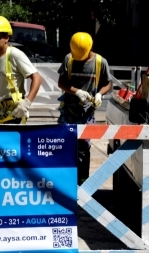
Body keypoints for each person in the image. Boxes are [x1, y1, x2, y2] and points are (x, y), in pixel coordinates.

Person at [57, 32, 112, 185]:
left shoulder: (100, 62)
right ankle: (65, 181)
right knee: (64, 145)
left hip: (86, 113)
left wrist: (100, 94)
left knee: (83, 148)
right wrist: (77, 91)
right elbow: (61, 82)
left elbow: (108, 83)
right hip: (68, 111)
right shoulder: (69, 59)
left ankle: (83, 181)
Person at [0, 16, 42, 124]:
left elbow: (37, 78)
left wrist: (26, 103)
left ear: (7, 38)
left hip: (14, 114)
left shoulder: (15, 55)